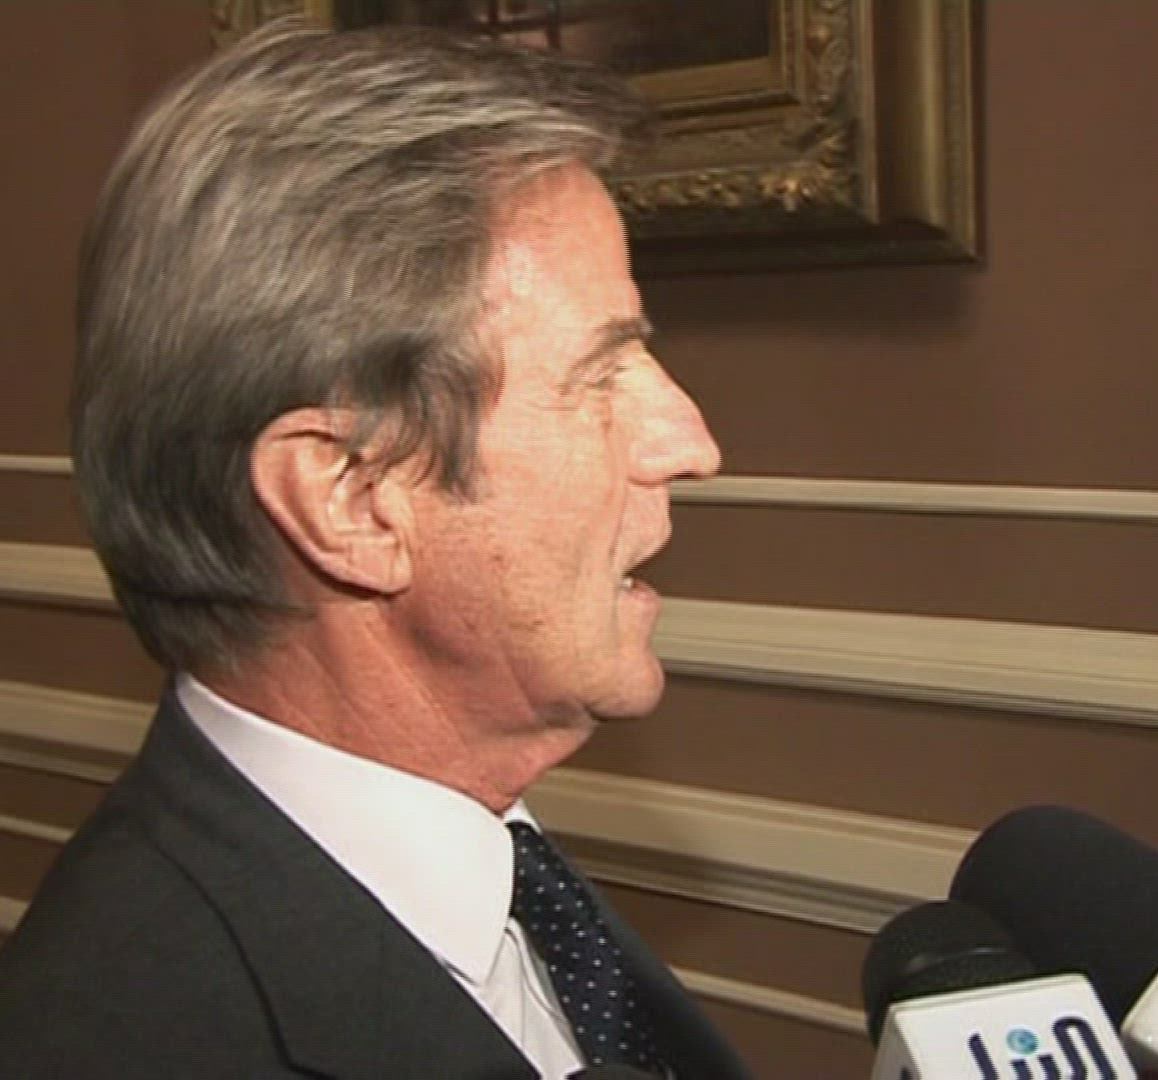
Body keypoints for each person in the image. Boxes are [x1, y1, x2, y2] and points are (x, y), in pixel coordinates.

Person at [0, 18, 748, 1080]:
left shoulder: (496, 880)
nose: (689, 442)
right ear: (350, 500)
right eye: (600, 375)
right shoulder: (129, 1036)